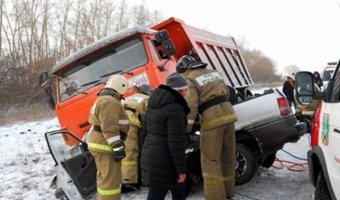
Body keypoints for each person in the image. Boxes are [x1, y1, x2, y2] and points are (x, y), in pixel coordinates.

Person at [177, 55, 237, 200]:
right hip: (229, 116)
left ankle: (215, 197)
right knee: (227, 156)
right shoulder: (213, 72)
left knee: (210, 160)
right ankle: (229, 192)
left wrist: (187, 127)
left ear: (184, 68)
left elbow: (191, 105)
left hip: (212, 119)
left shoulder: (189, 78)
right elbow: (228, 92)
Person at [141, 72, 190, 200]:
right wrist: (181, 171)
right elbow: (176, 143)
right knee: (159, 194)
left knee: (176, 191)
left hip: (152, 155)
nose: (187, 92)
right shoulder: (176, 109)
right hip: (165, 161)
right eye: (186, 89)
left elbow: (144, 132)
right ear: (180, 91)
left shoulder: (153, 103)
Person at [87, 74, 130, 200]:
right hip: (105, 146)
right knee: (111, 183)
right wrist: (117, 147)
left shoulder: (104, 99)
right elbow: (109, 128)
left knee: (105, 180)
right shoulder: (109, 102)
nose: (123, 96)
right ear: (120, 87)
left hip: (101, 144)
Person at [121, 84, 151, 192]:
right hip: (129, 124)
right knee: (130, 152)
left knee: (122, 151)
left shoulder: (131, 97)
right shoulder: (147, 99)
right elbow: (148, 119)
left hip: (116, 122)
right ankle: (129, 182)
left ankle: (125, 178)